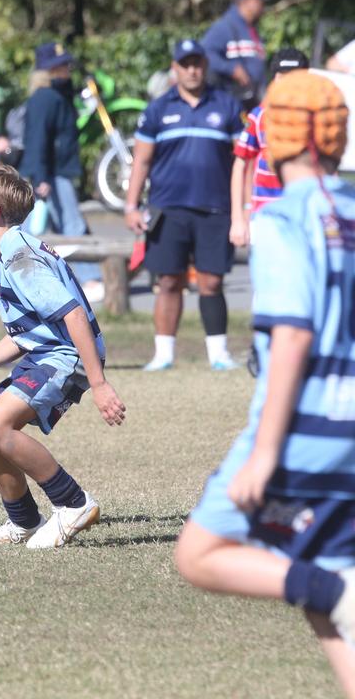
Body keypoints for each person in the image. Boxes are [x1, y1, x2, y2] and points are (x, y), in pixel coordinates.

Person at [174, 70, 355, 695]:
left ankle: (339, 589)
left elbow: (295, 336)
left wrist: (267, 453)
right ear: (337, 135)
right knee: (319, 586)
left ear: (272, 133)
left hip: (306, 430)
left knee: (199, 554)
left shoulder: (281, 221)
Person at [0, 165, 125, 547]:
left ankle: (73, 504)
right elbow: (23, 337)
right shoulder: (7, 257)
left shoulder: (20, 259)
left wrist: (100, 384)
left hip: (65, 356)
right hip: (45, 353)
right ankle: (22, 521)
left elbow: (72, 314)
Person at [124, 39, 245, 372]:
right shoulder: (158, 109)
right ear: (174, 68)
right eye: (185, 63)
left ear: (205, 66)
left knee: (211, 282)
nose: (192, 69)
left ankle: (219, 354)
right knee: (168, 281)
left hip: (216, 209)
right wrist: (131, 205)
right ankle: (164, 355)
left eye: (197, 63)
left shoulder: (227, 106)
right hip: (168, 208)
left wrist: (243, 210)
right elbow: (141, 162)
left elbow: (243, 160)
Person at [19, 41, 104, 301]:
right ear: (49, 70)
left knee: (41, 227)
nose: (67, 68)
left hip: (55, 171)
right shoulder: (45, 98)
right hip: (51, 173)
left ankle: (22, 278)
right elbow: (38, 140)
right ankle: (89, 280)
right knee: (70, 225)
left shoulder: (58, 95)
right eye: (61, 65)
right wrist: (41, 176)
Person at [229, 48, 310, 248]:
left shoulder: (317, 117)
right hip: (266, 215)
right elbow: (241, 165)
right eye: (283, 77)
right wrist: (238, 219)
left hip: (305, 215)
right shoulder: (259, 116)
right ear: (274, 80)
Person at [201, 0, 267, 111]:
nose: (263, 6)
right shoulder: (225, 27)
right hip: (231, 102)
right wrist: (231, 68)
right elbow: (205, 53)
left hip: (252, 101)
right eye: (259, 1)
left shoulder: (251, 29)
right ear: (245, 2)